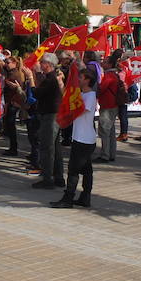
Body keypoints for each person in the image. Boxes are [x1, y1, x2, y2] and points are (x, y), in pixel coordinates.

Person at [51, 69, 98, 209]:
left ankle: (68, 198)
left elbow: (79, 110)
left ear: (87, 80)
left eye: (81, 77)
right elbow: (69, 99)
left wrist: (68, 108)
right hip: (80, 137)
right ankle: (85, 197)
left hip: (84, 139)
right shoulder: (82, 94)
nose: (78, 79)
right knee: (86, 169)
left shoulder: (90, 96)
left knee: (73, 169)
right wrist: (61, 83)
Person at [32, 53, 64, 189]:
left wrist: (31, 80)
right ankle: (58, 177)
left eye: (42, 62)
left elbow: (38, 93)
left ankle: (48, 178)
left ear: (48, 65)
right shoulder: (50, 78)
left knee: (47, 147)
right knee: (55, 147)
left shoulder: (51, 79)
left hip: (50, 115)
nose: (40, 64)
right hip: (52, 114)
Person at [95, 55, 121, 163]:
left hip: (107, 106)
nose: (102, 63)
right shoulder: (114, 74)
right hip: (112, 105)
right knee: (111, 131)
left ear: (110, 64)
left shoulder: (109, 75)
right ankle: (111, 154)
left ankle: (105, 155)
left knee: (105, 131)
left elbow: (101, 88)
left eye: (105, 62)